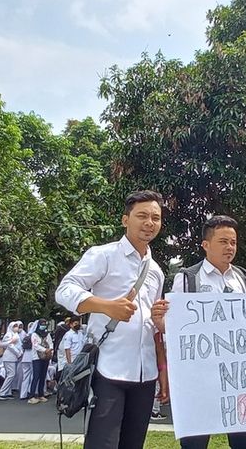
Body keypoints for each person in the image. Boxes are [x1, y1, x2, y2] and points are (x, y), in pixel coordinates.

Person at [55, 190, 168, 449]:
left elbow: (153, 327)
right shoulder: (103, 255)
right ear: (125, 220)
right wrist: (106, 306)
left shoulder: (157, 271)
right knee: (102, 444)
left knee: (133, 443)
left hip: (145, 373)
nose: (149, 223)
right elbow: (65, 290)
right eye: (142, 216)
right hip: (108, 370)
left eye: (155, 217)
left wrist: (162, 370)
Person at [168, 215, 246, 449]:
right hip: (200, 376)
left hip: (239, 376)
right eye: (223, 241)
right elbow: (176, 327)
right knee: (195, 441)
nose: (230, 247)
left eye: (233, 242)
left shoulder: (244, 279)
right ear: (205, 245)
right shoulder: (188, 279)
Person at [28, 318, 53, 404]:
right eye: (42, 324)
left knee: (43, 376)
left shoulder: (47, 334)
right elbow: (35, 345)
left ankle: (41, 394)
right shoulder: (34, 334)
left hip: (46, 357)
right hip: (37, 358)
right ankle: (31, 395)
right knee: (36, 376)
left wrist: (49, 350)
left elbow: (51, 343)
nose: (43, 326)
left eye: (44, 324)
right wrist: (45, 350)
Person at [0, 320, 22, 400]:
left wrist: (20, 352)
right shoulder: (8, 335)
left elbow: (19, 345)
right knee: (11, 374)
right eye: (14, 326)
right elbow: (10, 346)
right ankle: (2, 392)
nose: (16, 328)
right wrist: (18, 353)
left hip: (13, 357)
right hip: (9, 357)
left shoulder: (15, 335)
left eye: (17, 326)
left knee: (10, 375)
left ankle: (7, 392)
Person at [19, 321, 35, 400]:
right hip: (32, 357)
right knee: (33, 376)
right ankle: (30, 391)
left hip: (25, 358)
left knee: (25, 377)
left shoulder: (26, 336)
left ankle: (23, 394)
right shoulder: (35, 336)